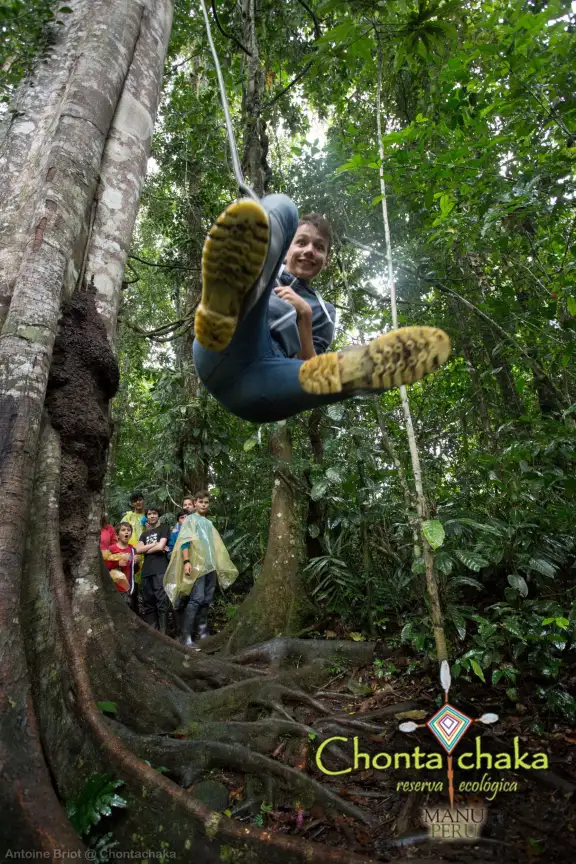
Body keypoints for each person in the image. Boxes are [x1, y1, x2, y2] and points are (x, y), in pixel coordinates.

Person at [192, 196, 451, 423]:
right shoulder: (265, 271)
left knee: (318, 378)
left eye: (319, 247)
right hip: (222, 343)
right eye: (301, 243)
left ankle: (357, 372)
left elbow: (303, 365)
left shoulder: (324, 311)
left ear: (325, 261)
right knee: (285, 208)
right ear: (285, 250)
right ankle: (223, 302)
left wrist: (304, 315)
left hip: (262, 383)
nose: (309, 251)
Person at [164, 506, 238, 649]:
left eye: (206, 502)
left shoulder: (208, 523)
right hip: (197, 566)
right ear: (195, 503)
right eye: (200, 501)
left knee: (206, 599)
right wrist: (187, 561)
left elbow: (214, 545)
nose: (203, 504)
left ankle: (202, 633)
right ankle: (186, 637)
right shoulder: (190, 520)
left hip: (210, 566)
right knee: (196, 598)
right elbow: (185, 541)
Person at [135, 507, 171, 633]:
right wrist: (155, 545)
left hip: (160, 569)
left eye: (154, 513)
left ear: (158, 516)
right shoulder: (144, 534)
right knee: (148, 602)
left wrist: (147, 548)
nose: (152, 516)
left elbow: (161, 546)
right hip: (146, 572)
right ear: (147, 517)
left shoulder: (164, 528)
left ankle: (164, 634)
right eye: (149, 514)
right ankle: (153, 633)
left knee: (162, 601)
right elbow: (138, 550)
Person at [104, 522, 140, 603]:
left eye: (129, 530)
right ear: (117, 535)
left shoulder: (133, 550)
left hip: (128, 588)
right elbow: (104, 566)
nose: (126, 532)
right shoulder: (111, 549)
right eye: (123, 530)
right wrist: (117, 563)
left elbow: (135, 570)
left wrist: (136, 563)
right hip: (114, 588)